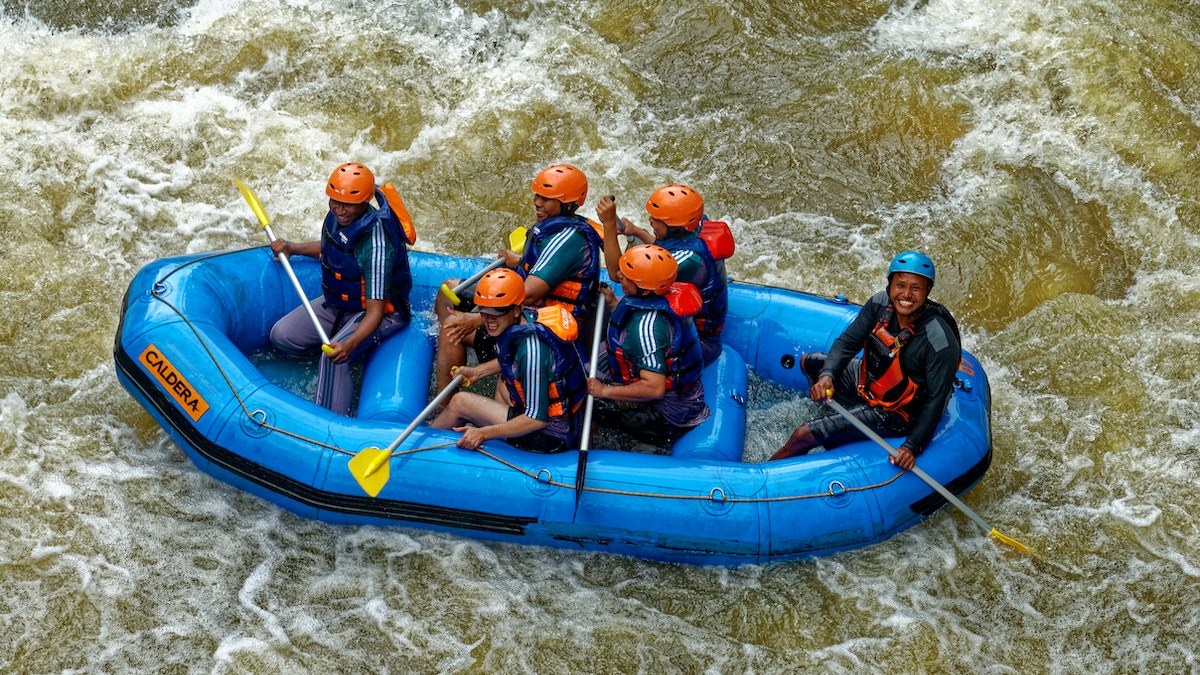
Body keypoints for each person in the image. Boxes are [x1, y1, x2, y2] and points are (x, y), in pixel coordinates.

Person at [769, 251, 961, 469]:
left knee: (803, 434)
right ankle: (836, 425)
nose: (906, 294)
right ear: (890, 285)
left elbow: (937, 400)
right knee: (809, 363)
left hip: (897, 413)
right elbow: (847, 343)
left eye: (916, 288)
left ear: (927, 291)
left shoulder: (938, 341)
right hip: (869, 382)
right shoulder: (880, 304)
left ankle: (761, 480)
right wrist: (826, 376)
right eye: (900, 285)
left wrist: (912, 446)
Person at [433, 164, 603, 391]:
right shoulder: (559, 227)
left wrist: (476, 319)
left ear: (568, 203)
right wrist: (521, 261)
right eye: (537, 195)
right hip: (528, 313)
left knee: (451, 328)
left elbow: (529, 294)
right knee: (450, 289)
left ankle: (445, 406)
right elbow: (546, 266)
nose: (537, 202)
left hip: (544, 329)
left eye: (546, 198)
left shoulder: (569, 240)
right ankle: (455, 356)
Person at [268, 162, 414, 416]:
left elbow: (376, 312)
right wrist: (293, 248)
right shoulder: (338, 217)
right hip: (341, 304)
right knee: (281, 335)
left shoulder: (375, 244)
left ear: (365, 202)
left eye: (347, 204)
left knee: (333, 359)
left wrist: (351, 343)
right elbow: (333, 248)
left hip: (382, 311)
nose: (339, 209)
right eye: (334, 201)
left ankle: (330, 423)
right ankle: (347, 355)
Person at [430, 268, 588, 453]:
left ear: (516, 309)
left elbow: (537, 418)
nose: (489, 319)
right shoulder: (527, 318)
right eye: (484, 311)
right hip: (562, 419)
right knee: (503, 382)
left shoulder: (532, 351)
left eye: (498, 311)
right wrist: (477, 371)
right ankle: (503, 441)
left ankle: (421, 449)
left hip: (551, 434)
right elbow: (510, 361)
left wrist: (484, 433)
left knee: (460, 402)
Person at [586, 243, 711, 446]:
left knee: (586, 399)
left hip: (668, 415)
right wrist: (613, 303)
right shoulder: (662, 296)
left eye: (626, 277)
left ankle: (591, 452)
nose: (618, 276)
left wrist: (604, 391)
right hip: (685, 397)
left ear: (644, 291)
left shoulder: (646, 329)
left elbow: (654, 388)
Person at [596, 185, 730, 364]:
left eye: (657, 219)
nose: (650, 221)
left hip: (697, 342)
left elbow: (618, 274)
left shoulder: (689, 260)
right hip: (684, 325)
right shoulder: (690, 230)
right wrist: (637, 232)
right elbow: (664, 253)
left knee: (593, 364)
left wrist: (609, 225)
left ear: (675, 227)